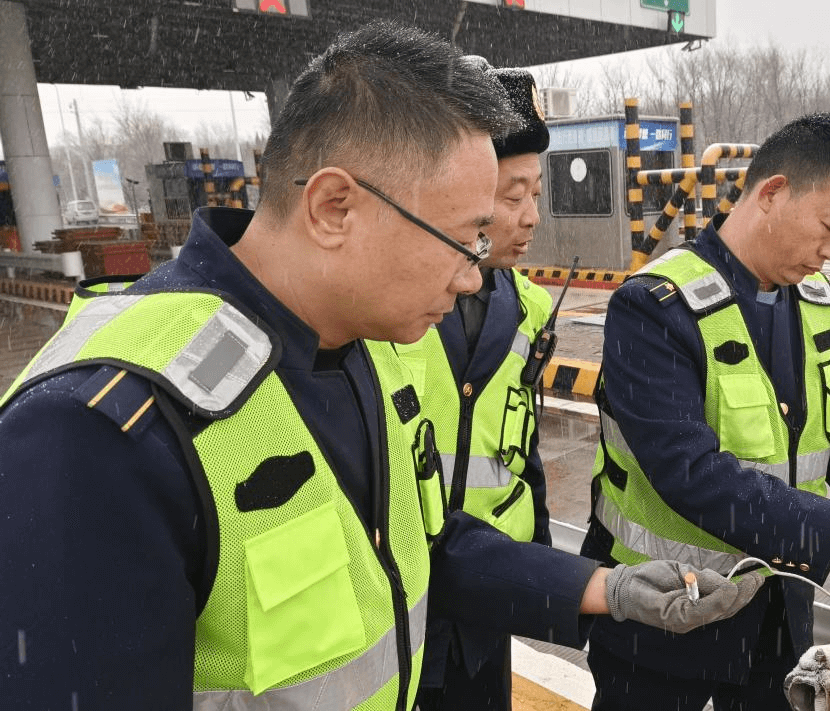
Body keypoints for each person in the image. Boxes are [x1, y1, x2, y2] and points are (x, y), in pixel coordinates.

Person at [0, 22, 761, 709]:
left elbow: (424, 542)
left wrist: (606, 587)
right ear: (334, 207)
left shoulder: (355, 348)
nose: (475, 276)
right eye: (464, 240)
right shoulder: (99, 431)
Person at [582, 113, 830, 710]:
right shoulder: (652, 308)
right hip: (667, 615)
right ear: (772, 192)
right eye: (829, 227)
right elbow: (689, 475)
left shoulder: (814, 300)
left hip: (778, 616)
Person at [399, 64, 553, 711]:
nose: (531, 217)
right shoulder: (386, 308)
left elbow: (523, 449)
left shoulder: (533, 309)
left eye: (537, 193)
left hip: (488, 604)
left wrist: (543, 576)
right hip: (406, 605)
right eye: (512, 194)